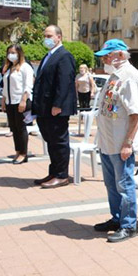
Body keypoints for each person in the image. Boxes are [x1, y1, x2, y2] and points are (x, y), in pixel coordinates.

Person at [92, 39, 138, 242]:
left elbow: (135, 114)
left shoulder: (130, 77)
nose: (104, 59)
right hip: (107, 141)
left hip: (120, 143)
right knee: (112, 185)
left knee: (124, 185)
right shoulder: (113, 76)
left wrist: (128, 143)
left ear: (121, 55)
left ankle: (129, 225)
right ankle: (116, 218)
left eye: (107, 55)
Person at [32, 25, 78, 189]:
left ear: (59, 37)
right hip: (44, 108)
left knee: (59, 142)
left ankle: (62, 175)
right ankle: (54, 171)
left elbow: (64, 83)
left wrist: (57, 105)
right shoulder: (48, 56)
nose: (47, 38)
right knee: (50, 141)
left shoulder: (64, 56)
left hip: (56, 109)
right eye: (45, 35)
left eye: (50, 35)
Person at [1, 44, 34, 164]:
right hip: (10, 101)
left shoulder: (25, 67)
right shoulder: (8, 68)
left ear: (20, 53)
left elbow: (28, 85)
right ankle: (17, 151)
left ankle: (23, 153)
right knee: (14, 128)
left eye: (14, 52)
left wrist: (23, 100)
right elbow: (5, 87)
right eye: (9, 52)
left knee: (21, 128)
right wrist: (3, 101)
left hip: (20, 101)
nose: (11, 55)